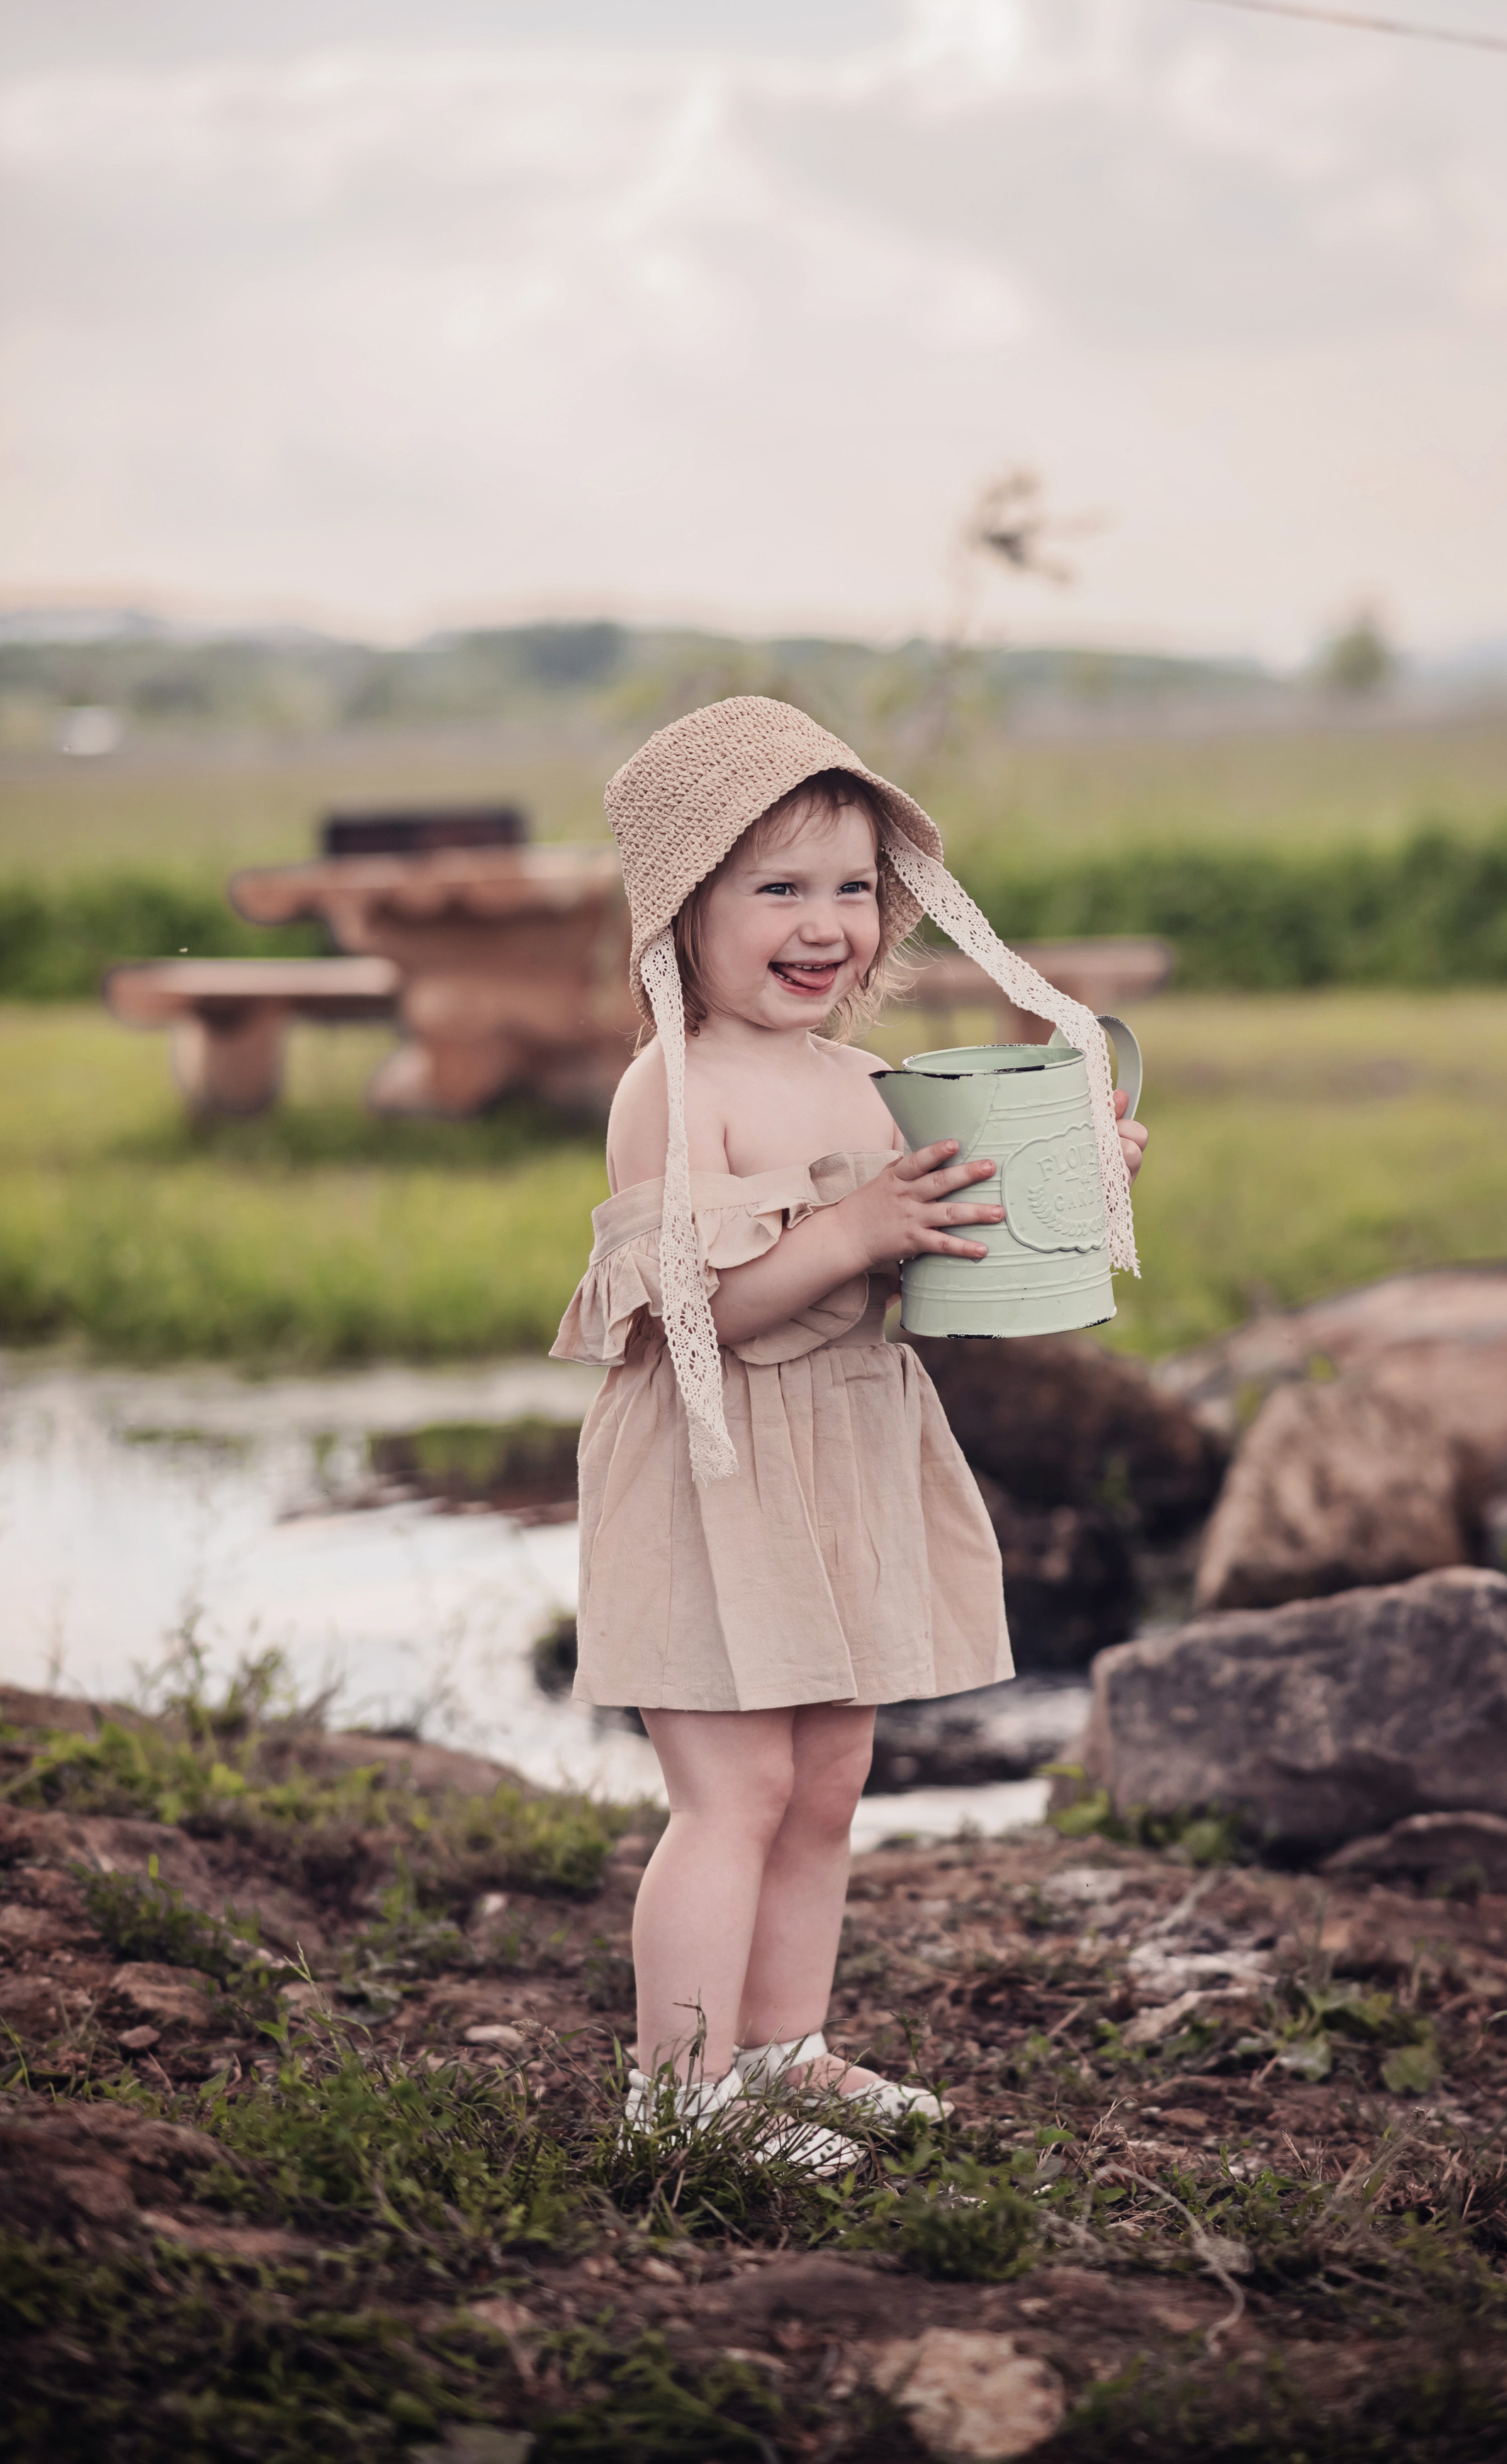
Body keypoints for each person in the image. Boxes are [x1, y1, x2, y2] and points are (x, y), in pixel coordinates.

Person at [551, 697, 1145, 2143]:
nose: (826, 925)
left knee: (825, 1780)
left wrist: (1070, 1166)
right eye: (776, 888)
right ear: (682, 910)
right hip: (715, 1462)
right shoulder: (670, 1091)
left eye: (853, 889)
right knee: (735, 1789)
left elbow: (957, 1238)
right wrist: (848, 1228)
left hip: (846, 1451)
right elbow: (709, 1312)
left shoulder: (869, 1083)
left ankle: (781, 2052)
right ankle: (676, 2099)